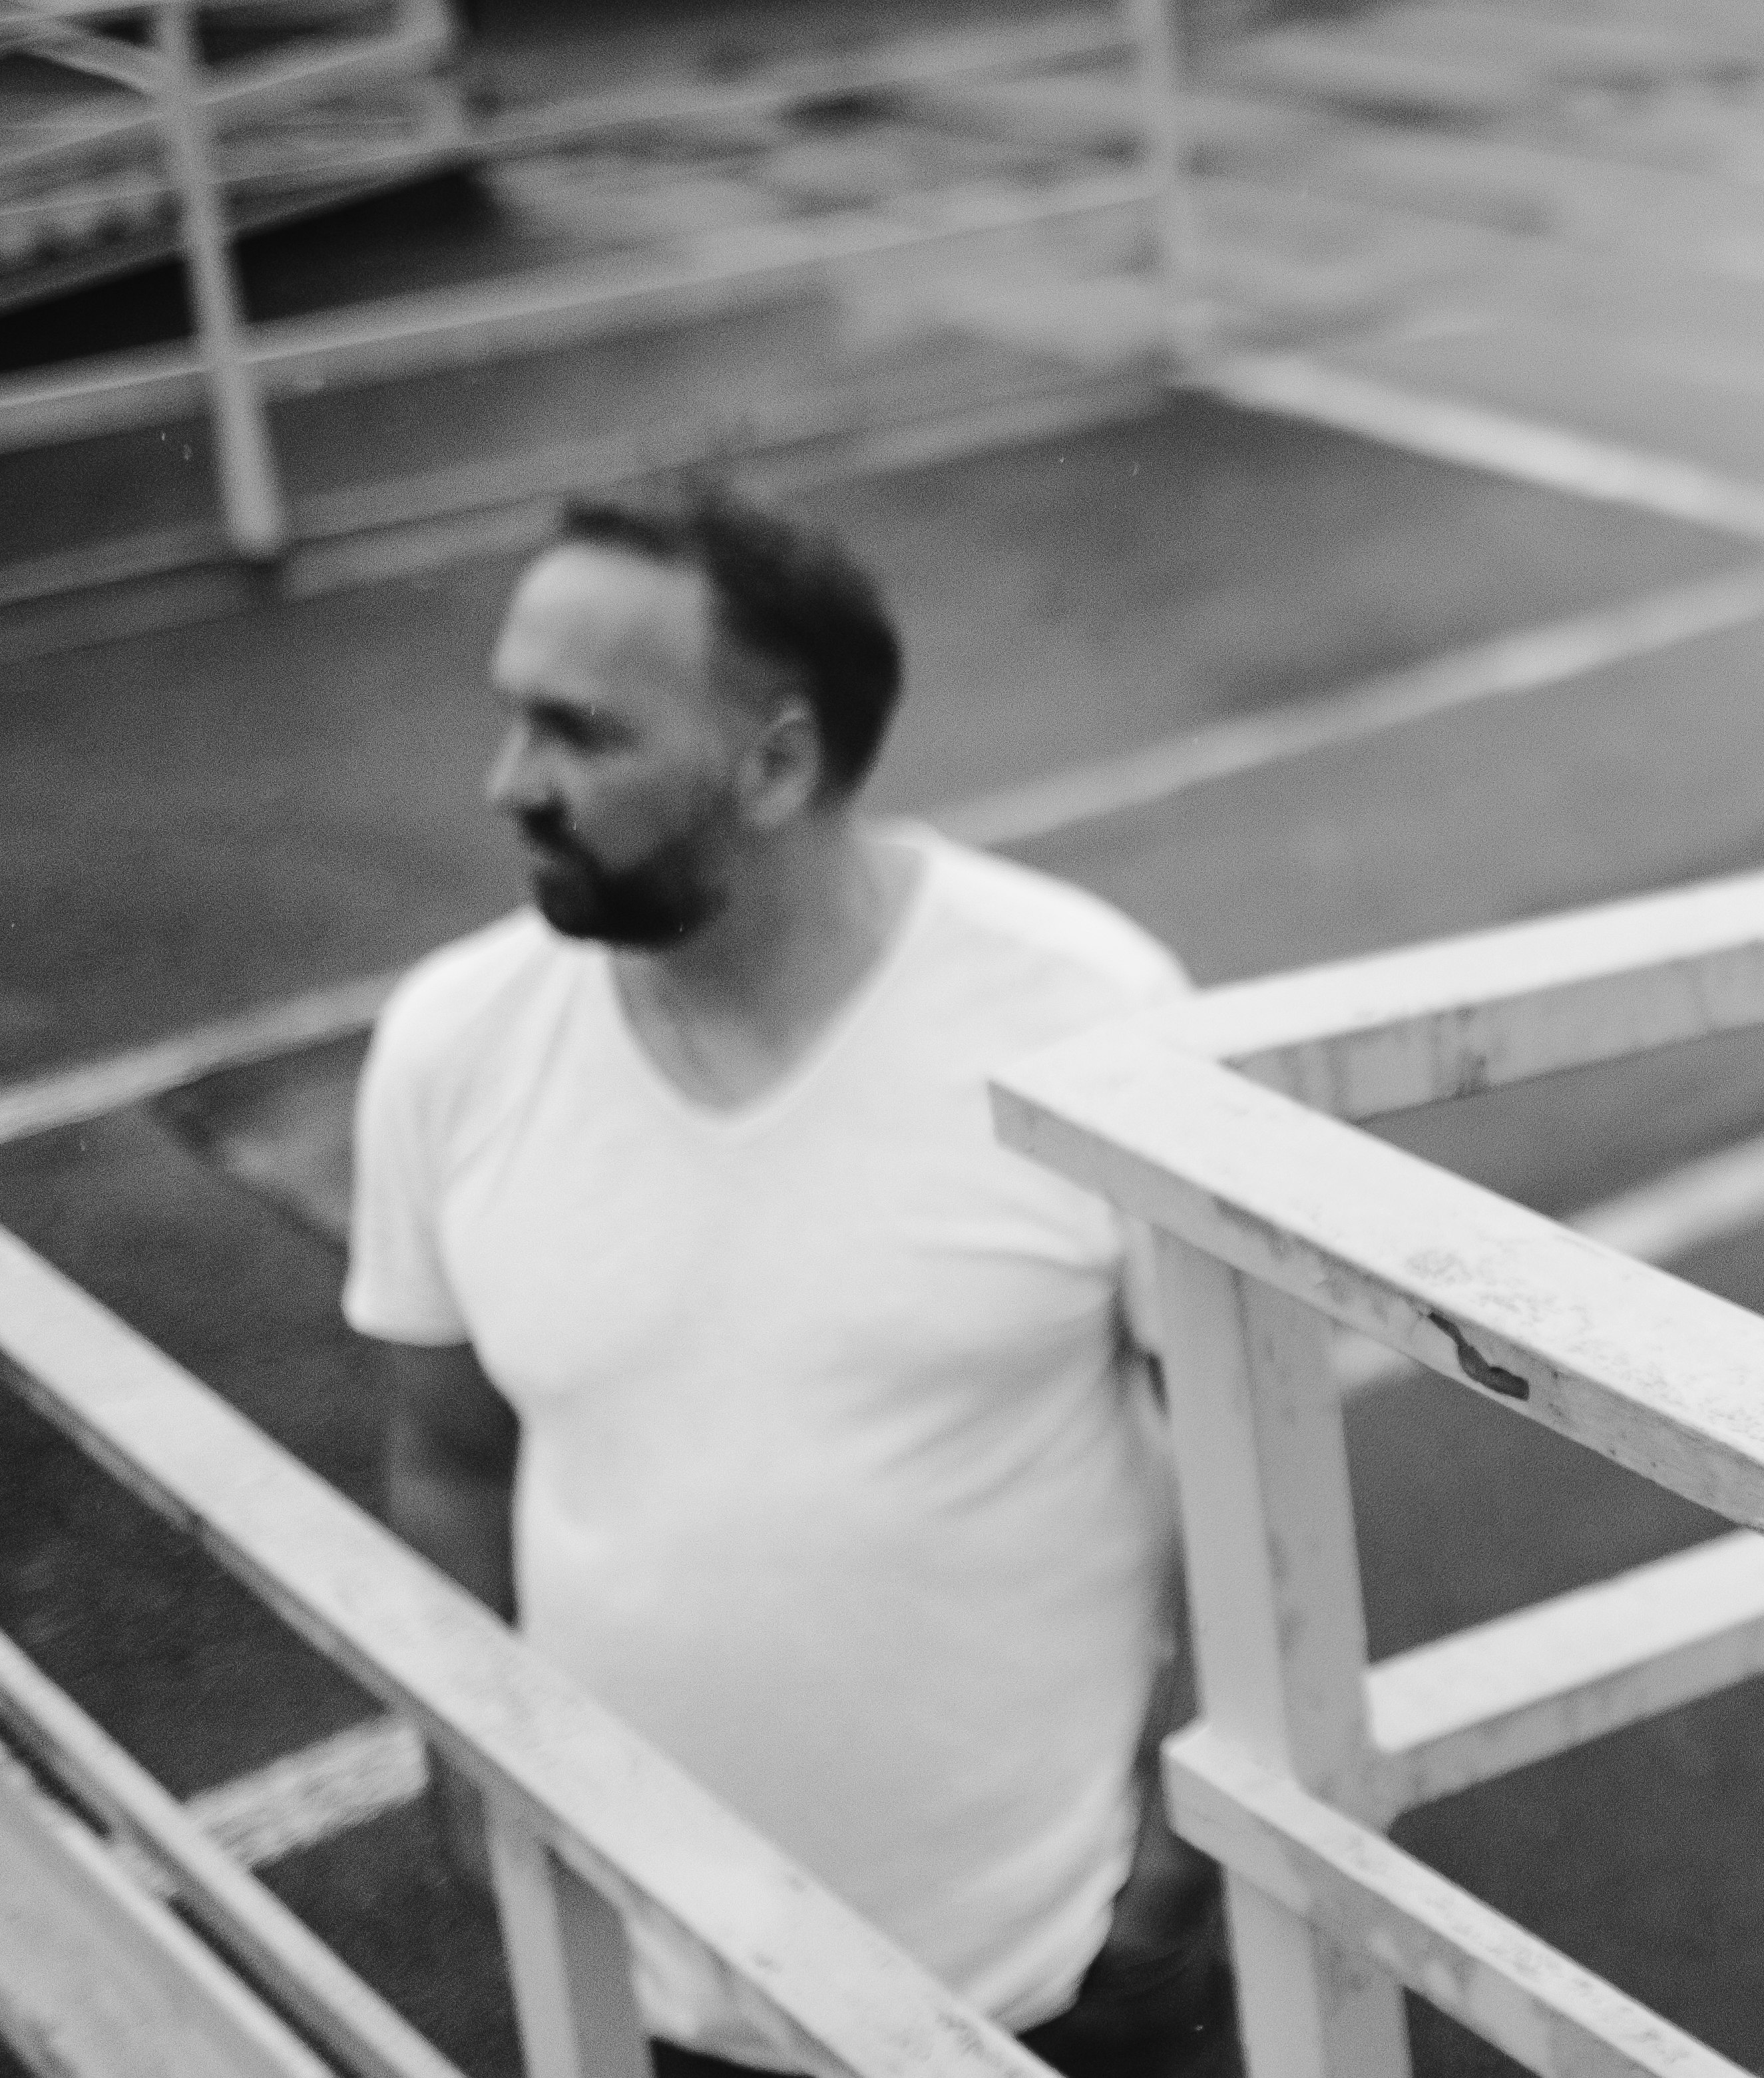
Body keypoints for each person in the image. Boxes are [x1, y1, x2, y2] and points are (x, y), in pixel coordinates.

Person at [347, 482, 1226, 2077]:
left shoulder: (1093, 1020)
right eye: (510, 720)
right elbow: (449, 1457)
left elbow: (1246, 1466)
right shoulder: (453, 1044)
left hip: (1057, 1977)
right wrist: (468, 1773)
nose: (509, 785)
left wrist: (1188, 1853)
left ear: (779, 763)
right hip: (644, 1989)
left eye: (578, 734)